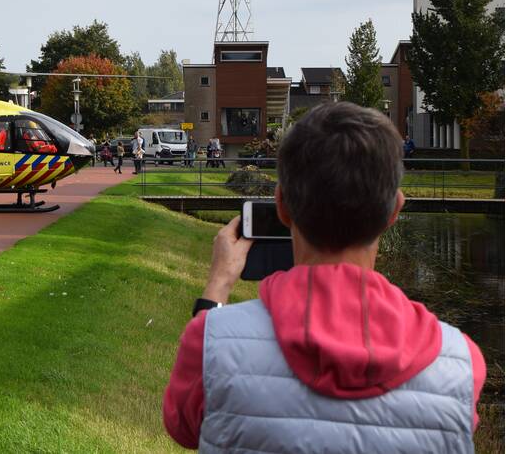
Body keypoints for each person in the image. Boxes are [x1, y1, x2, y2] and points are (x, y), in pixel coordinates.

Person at [162, 103, 486, 453]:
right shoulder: (461, 364)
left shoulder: (212, 342)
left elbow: (183, 427)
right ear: (394, 210)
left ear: (282, 205)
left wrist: (217, 287)